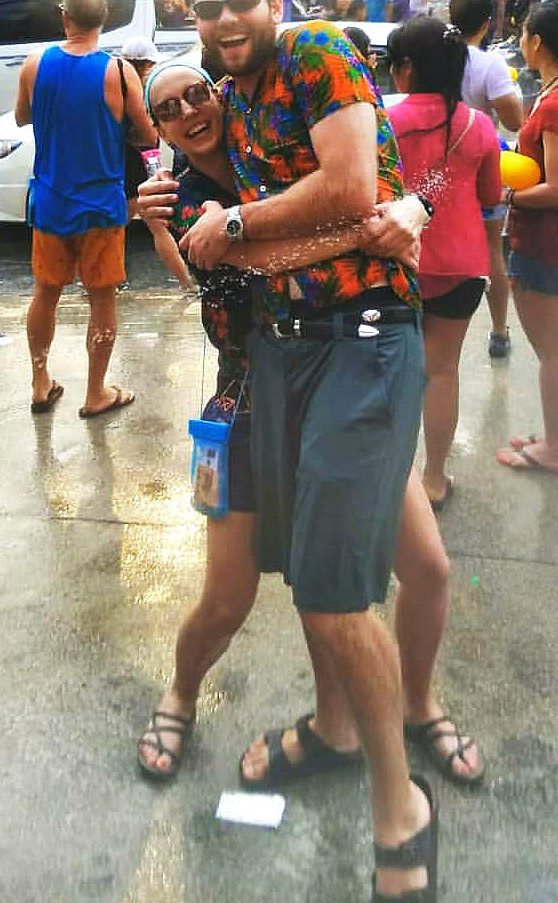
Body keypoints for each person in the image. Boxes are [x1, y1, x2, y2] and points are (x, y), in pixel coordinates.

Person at [178, 0, 442, 903]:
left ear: (273, 0)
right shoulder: (233, 99)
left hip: (363, 341)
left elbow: (349, 185)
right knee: (312, 572)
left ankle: (398, 802)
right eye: (209, 10)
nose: (228, 21)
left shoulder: (320, 51)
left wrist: (242, 225)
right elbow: (334, 215)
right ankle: (336, 729)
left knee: (338, 594)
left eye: (242, 2)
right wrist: (218, 224)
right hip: (291, 351)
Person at [134, 62, 467, 787]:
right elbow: (237, 272)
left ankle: (416, 705)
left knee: (427, 570)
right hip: (247, 400)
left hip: (342, 382)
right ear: (158, 130)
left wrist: (413, 207)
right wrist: (368, 230)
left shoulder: (281, 142)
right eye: (169, 109)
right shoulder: (186, 196)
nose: (191, 110)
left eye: (199, 93)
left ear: (221, 94)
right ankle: (181, 694)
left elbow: (424, 173)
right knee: (228, 597)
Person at [15, 0, 156, 417]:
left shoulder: (36, 63)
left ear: (64, 16)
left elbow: (22, 116)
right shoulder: (118, 72)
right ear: (105, 18)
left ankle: (41, 380)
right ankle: (95, 392)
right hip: (101, 207)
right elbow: (148, 135)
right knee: (101, 299)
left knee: (46, 292)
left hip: (52, 202)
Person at [387, 18, 502, 509]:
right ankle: (434, 478)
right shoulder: (480, 126)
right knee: (442, 372)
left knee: (390, 372)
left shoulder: (385, 121)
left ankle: (390, 476)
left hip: (397, 262)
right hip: (460, 267)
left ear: (407, 68)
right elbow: (492, 195)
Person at [496, 0, 558, 476]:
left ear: (537, 42)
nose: (520, 42)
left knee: (553, 351)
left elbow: (557, 187)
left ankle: (556, 450)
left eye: (523, 34)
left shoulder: (555, 103)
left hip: (547, 241)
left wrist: (506, 197)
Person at [449, 0, 525, 358]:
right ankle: (499, 331)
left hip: (440, 168)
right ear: (486, 23)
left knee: (438, 245)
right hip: (483, 166)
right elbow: (513, 120)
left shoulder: (438, 59)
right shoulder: (489, 65)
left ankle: (440, 330)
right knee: (493, 249)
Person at [118, 37, 196, 293]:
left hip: (125, 163)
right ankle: (186, 283)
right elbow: (149, 135)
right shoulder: (141, 91)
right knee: (156, 227)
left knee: (119, 225)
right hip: (141, 163)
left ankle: (105, 279)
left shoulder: (116, 86)